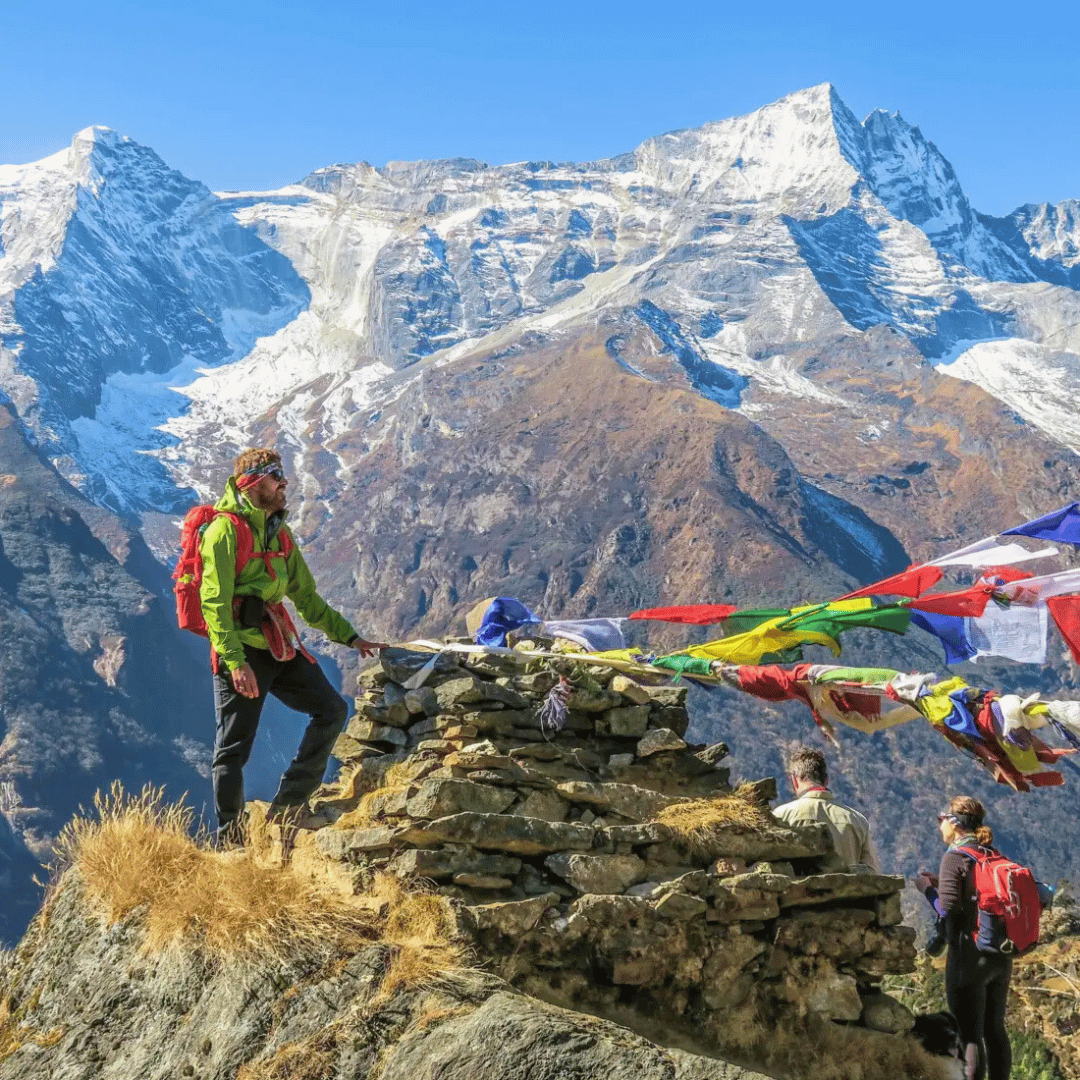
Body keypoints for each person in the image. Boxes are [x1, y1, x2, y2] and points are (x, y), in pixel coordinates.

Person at [199, 448, 387, 847]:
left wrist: (350, 637)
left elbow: (307, 597)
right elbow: (214, 603)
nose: (284, 484)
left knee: (332, 709)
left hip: (277, 644)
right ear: (252, 484)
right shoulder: (224, 531)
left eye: (282, 476)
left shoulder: (280, 535)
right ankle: (230, 841)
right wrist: (234, 662)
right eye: (274, 477)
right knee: (233, 748)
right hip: (242, 652)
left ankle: (289, 803)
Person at [916, 797, 1012, 1080]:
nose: (939, 826)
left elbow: (945, 912)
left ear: (954, 823)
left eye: (941, 819)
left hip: (967, 956)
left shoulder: (954, 857)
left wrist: (926, 890)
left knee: (969, 1034)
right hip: (999, 953)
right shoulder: (989, 853)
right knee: (995, 1029)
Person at [772, 747, 881, 872]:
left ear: (795, 781)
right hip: (846, 890)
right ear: (826, 780)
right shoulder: (857, 820)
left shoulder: (781, 816)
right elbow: (873, 873)